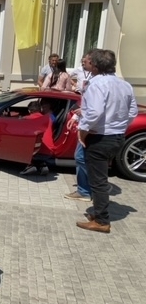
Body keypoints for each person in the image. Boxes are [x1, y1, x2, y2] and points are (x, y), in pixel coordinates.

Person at [76, 49, 138, 233]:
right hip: (117, 136)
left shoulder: (97, 85)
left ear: (95, 66)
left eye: (88, 62)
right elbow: (132, 112)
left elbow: (95, 112)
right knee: (100, 178)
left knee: (98, 181)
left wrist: (83, 131)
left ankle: (102, 221)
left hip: (100, 137)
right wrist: (118, 126)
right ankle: (98, 213)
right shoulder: (124, 85)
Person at [64, 52, 93, 202]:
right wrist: (76, 116)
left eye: (86, 61)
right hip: (88, 124)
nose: (83, 63)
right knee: (85, 158)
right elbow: (85, 101)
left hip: (91, 128)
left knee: (81, 157)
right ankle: (89, 189)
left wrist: (83, 116)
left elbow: (92, 107)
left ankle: (85, 191)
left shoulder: (96, 83)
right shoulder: (90, 80)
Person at [20, 99, 56, 176]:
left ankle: (30, 165)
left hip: (38, 152)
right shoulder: (48, 118)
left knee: (22, 142)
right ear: (40, 110)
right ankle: (42, 165)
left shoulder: (27, 119)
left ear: (29, 111)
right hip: (49, 151)